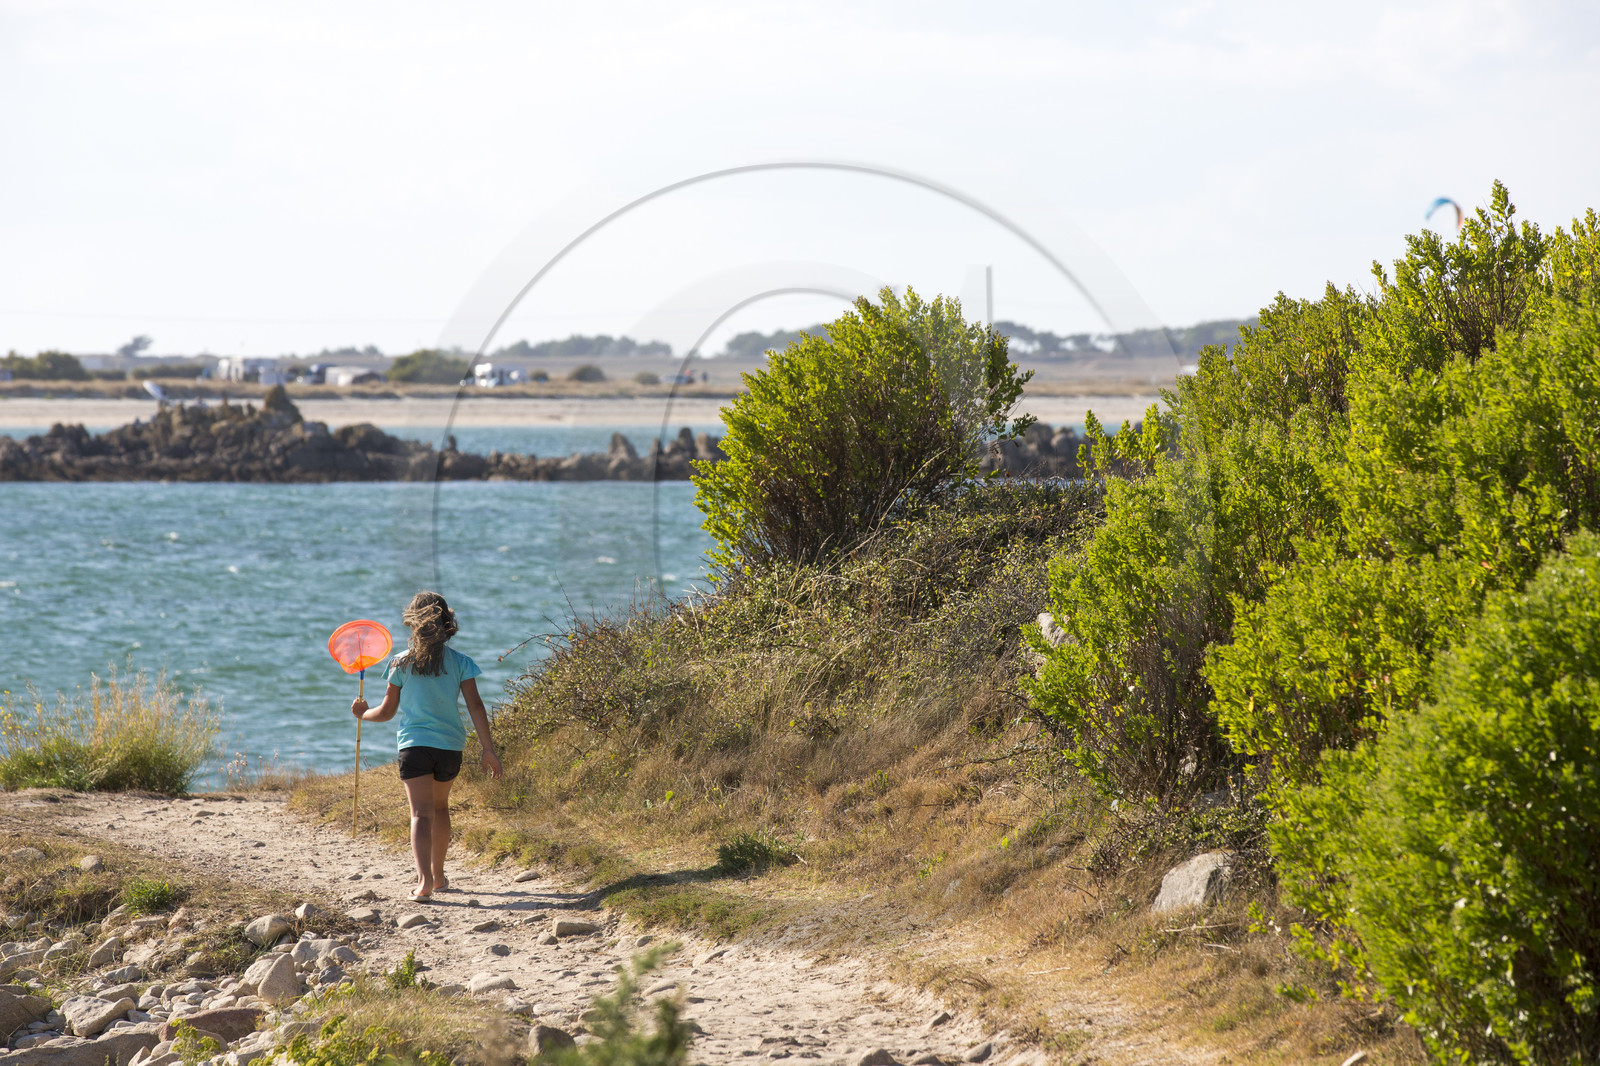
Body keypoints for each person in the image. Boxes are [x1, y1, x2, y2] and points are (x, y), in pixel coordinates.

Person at [351, 591, 503, 901]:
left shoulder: (401, 663)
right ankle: (439, 876)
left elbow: (387, 712)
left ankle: (423, 883)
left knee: (420, 814)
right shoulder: (462, 662)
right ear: (447, 622)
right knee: (439, 807)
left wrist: (362, 713)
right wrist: (488, 749)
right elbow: (476, 706)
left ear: (413, 623)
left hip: (414, 746)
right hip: (449, 747)